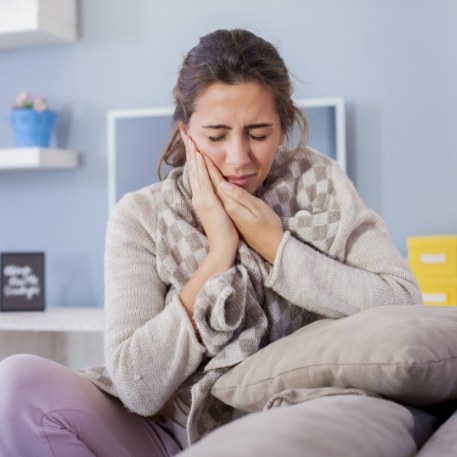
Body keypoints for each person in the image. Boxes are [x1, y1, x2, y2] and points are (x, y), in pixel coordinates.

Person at [0, 28, 422, 457]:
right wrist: (219, 254)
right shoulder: (140, 215)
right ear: (186, 133)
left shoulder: (322, 187)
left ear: (284, 127)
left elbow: (403, 301)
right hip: (165, 430)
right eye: (216, 136)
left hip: (284, 422)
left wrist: (277, 248)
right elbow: (135, 388)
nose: (238, 158)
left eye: (258, 134)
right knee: (16, 385)